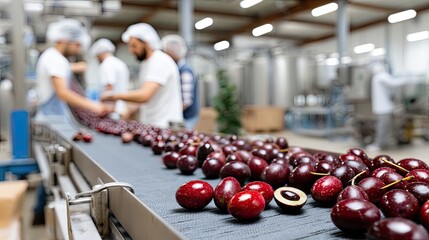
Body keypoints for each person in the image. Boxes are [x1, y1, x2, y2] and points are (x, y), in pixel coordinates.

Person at [101, 23, 183, 128]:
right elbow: (140, 99)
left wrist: (112, 95)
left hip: (166, 126)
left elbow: (144, 95)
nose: (131, 51)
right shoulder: (147, 63)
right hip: (154, 125)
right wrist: (122, 112)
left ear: (146, 43)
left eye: (134, 46)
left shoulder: (159, 61)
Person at [35, 18, 110, 120]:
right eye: (77, 45)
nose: (77, 50)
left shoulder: (52, 56)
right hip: (52, 118)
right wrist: (93, 106)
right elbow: (63, 93)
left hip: (54, 117)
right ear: (66, 40)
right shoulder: (55, 59)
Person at [366, 61, 408, 152]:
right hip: (383, 108)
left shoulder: (376, 77)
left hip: (383, 107)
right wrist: (407, 79)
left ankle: (385, 142)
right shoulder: (381, 76)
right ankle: (379, 144)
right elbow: (394, 83)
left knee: (386, 126)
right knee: (383, 126)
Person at [162, 35, 199, 129]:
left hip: (186, 117)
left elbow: (186, 101)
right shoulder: (177, 69)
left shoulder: (185, 71)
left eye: (167, 53)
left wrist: (169, 112)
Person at [90, 38, 130, 119]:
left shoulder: (106, 64)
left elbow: (109, 88)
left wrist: (104, 108)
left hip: (113, 112)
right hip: (121, 108)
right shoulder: (119, 63)